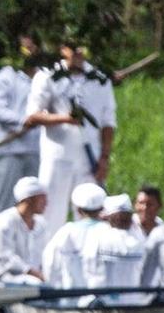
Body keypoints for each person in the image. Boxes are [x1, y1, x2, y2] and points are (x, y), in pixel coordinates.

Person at [25, 45, 117, 238]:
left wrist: (105, 157)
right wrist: (64, 118)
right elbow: (32, 117)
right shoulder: (48, 75)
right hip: (57, 158)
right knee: (51, 215)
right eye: (72, 47)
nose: (77, 52)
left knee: (89, 212)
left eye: (81, 47)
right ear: (62, 48)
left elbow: (108, 122)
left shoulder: (99, 79)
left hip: (88, 159)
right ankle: (46, 261)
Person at [0, 46, 41, 216]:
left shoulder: (43, 77)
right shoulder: (6, 76)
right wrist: (24, 121)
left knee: (34, 208)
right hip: (9, 150)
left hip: (36, 150)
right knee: (4, 207)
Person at [0, 176, 49, 285]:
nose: (46, 202)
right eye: (42, 198)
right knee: (35, 283)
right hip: (4, 278)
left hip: (35, 277)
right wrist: (32, 272)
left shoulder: (41, 223)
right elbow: (4, 256)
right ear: (28, 199)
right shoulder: (4, 221)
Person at [42, 183, 107, 289]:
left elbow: (50, 262)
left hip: (70, 298)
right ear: (102, 208)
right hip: (103, 299)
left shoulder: (66, 232)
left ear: (78, 210)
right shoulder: (109, 231)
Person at [84, 193, 146, 303]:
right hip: (137, 302)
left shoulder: (98, 235)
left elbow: (90, 270)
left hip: (106, 302)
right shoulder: (140, 237)